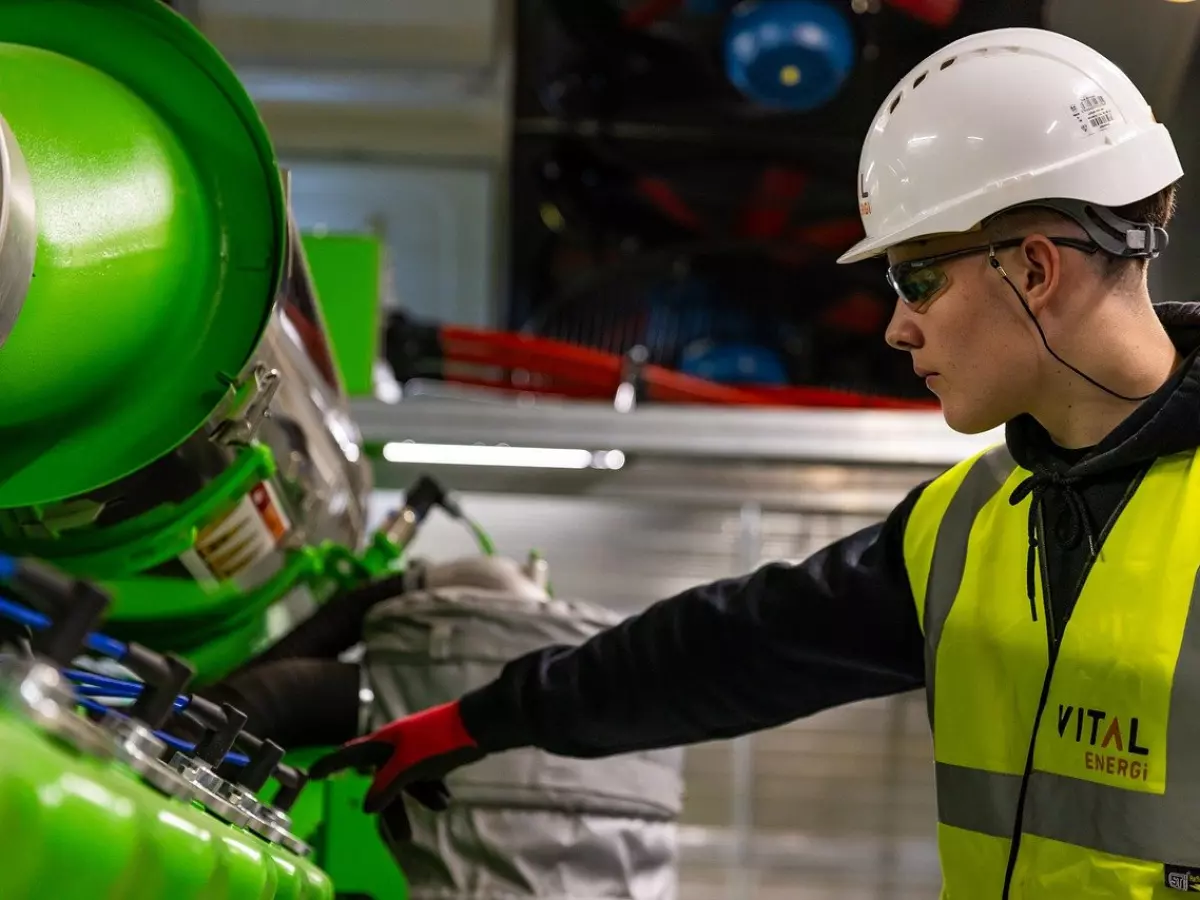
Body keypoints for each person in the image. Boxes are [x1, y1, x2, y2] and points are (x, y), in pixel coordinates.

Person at [311, 27, 1199, 898]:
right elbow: (732, 647)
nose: (897, 327)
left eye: (916, 279)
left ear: (1034, 269)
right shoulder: (966, 528)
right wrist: (484, 717)